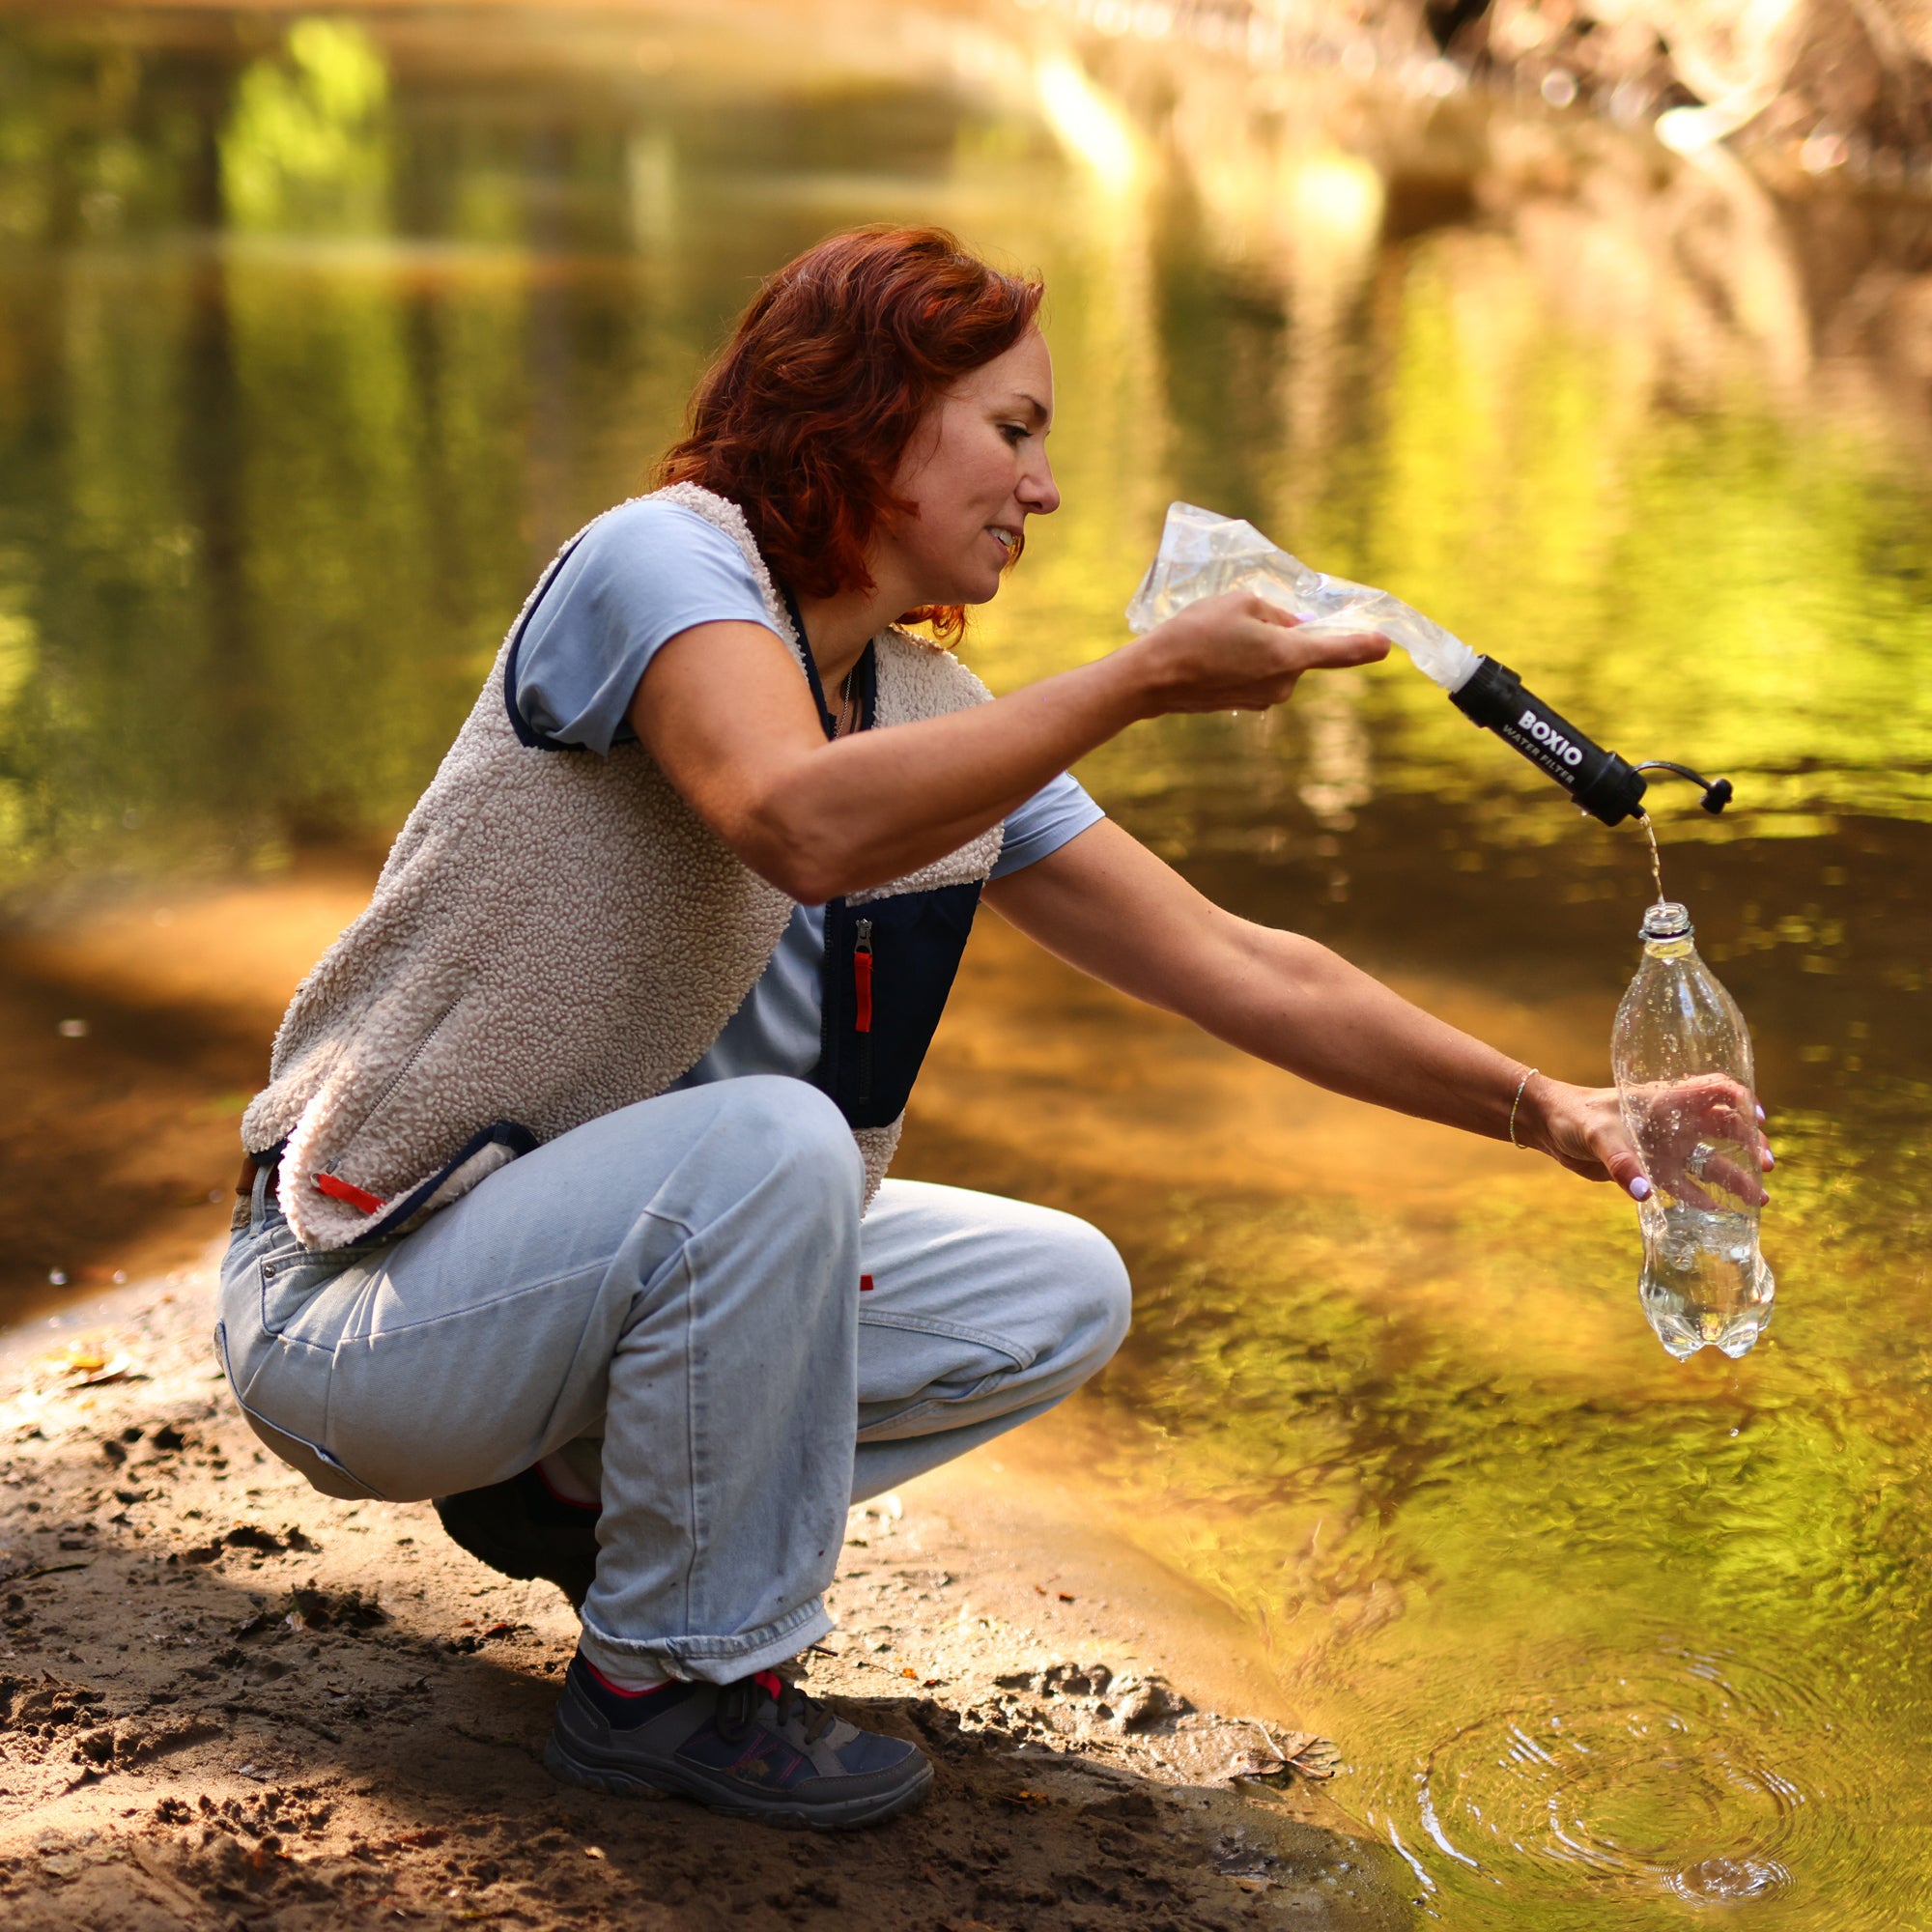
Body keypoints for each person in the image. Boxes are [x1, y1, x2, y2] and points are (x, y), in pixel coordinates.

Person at [216, 226, 1769, 1832]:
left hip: (541, 1319)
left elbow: (1245, 965)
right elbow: (793, 820)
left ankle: (570, 1488)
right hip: (359, 1300)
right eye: (1012, 432)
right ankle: (667, 1691)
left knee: (1056, 1291)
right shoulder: (657, 563)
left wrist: (1552, 1110)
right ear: (870, 414)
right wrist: (1137, 678)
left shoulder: (934, 723)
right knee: (777, 1143)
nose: (1042, 489)